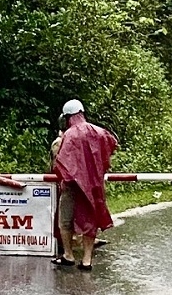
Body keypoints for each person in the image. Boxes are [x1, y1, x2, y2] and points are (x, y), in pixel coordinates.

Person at [51, 99, 118, 271]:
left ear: (67, 117)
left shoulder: (69, 135)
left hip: (72, 186)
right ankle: (87, 260)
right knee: (91, 219)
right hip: (94, 184)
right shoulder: (99, 131)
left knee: (65, 220)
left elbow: (61, 163)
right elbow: (112, 144)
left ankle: (68, 255)